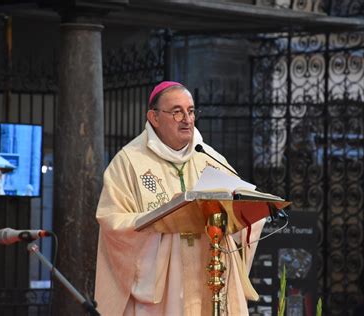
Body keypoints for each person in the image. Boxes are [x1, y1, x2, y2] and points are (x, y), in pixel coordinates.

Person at [94, 81, 266, 315]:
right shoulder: (129, 162)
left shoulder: (209, 158)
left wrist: (251, 215)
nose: (187, 118)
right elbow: (112, 222)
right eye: (177, 112)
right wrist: (163, 219)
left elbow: (241, 205)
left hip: (210, 276)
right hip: (164, 288)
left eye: (191, 111)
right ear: (154, 118)